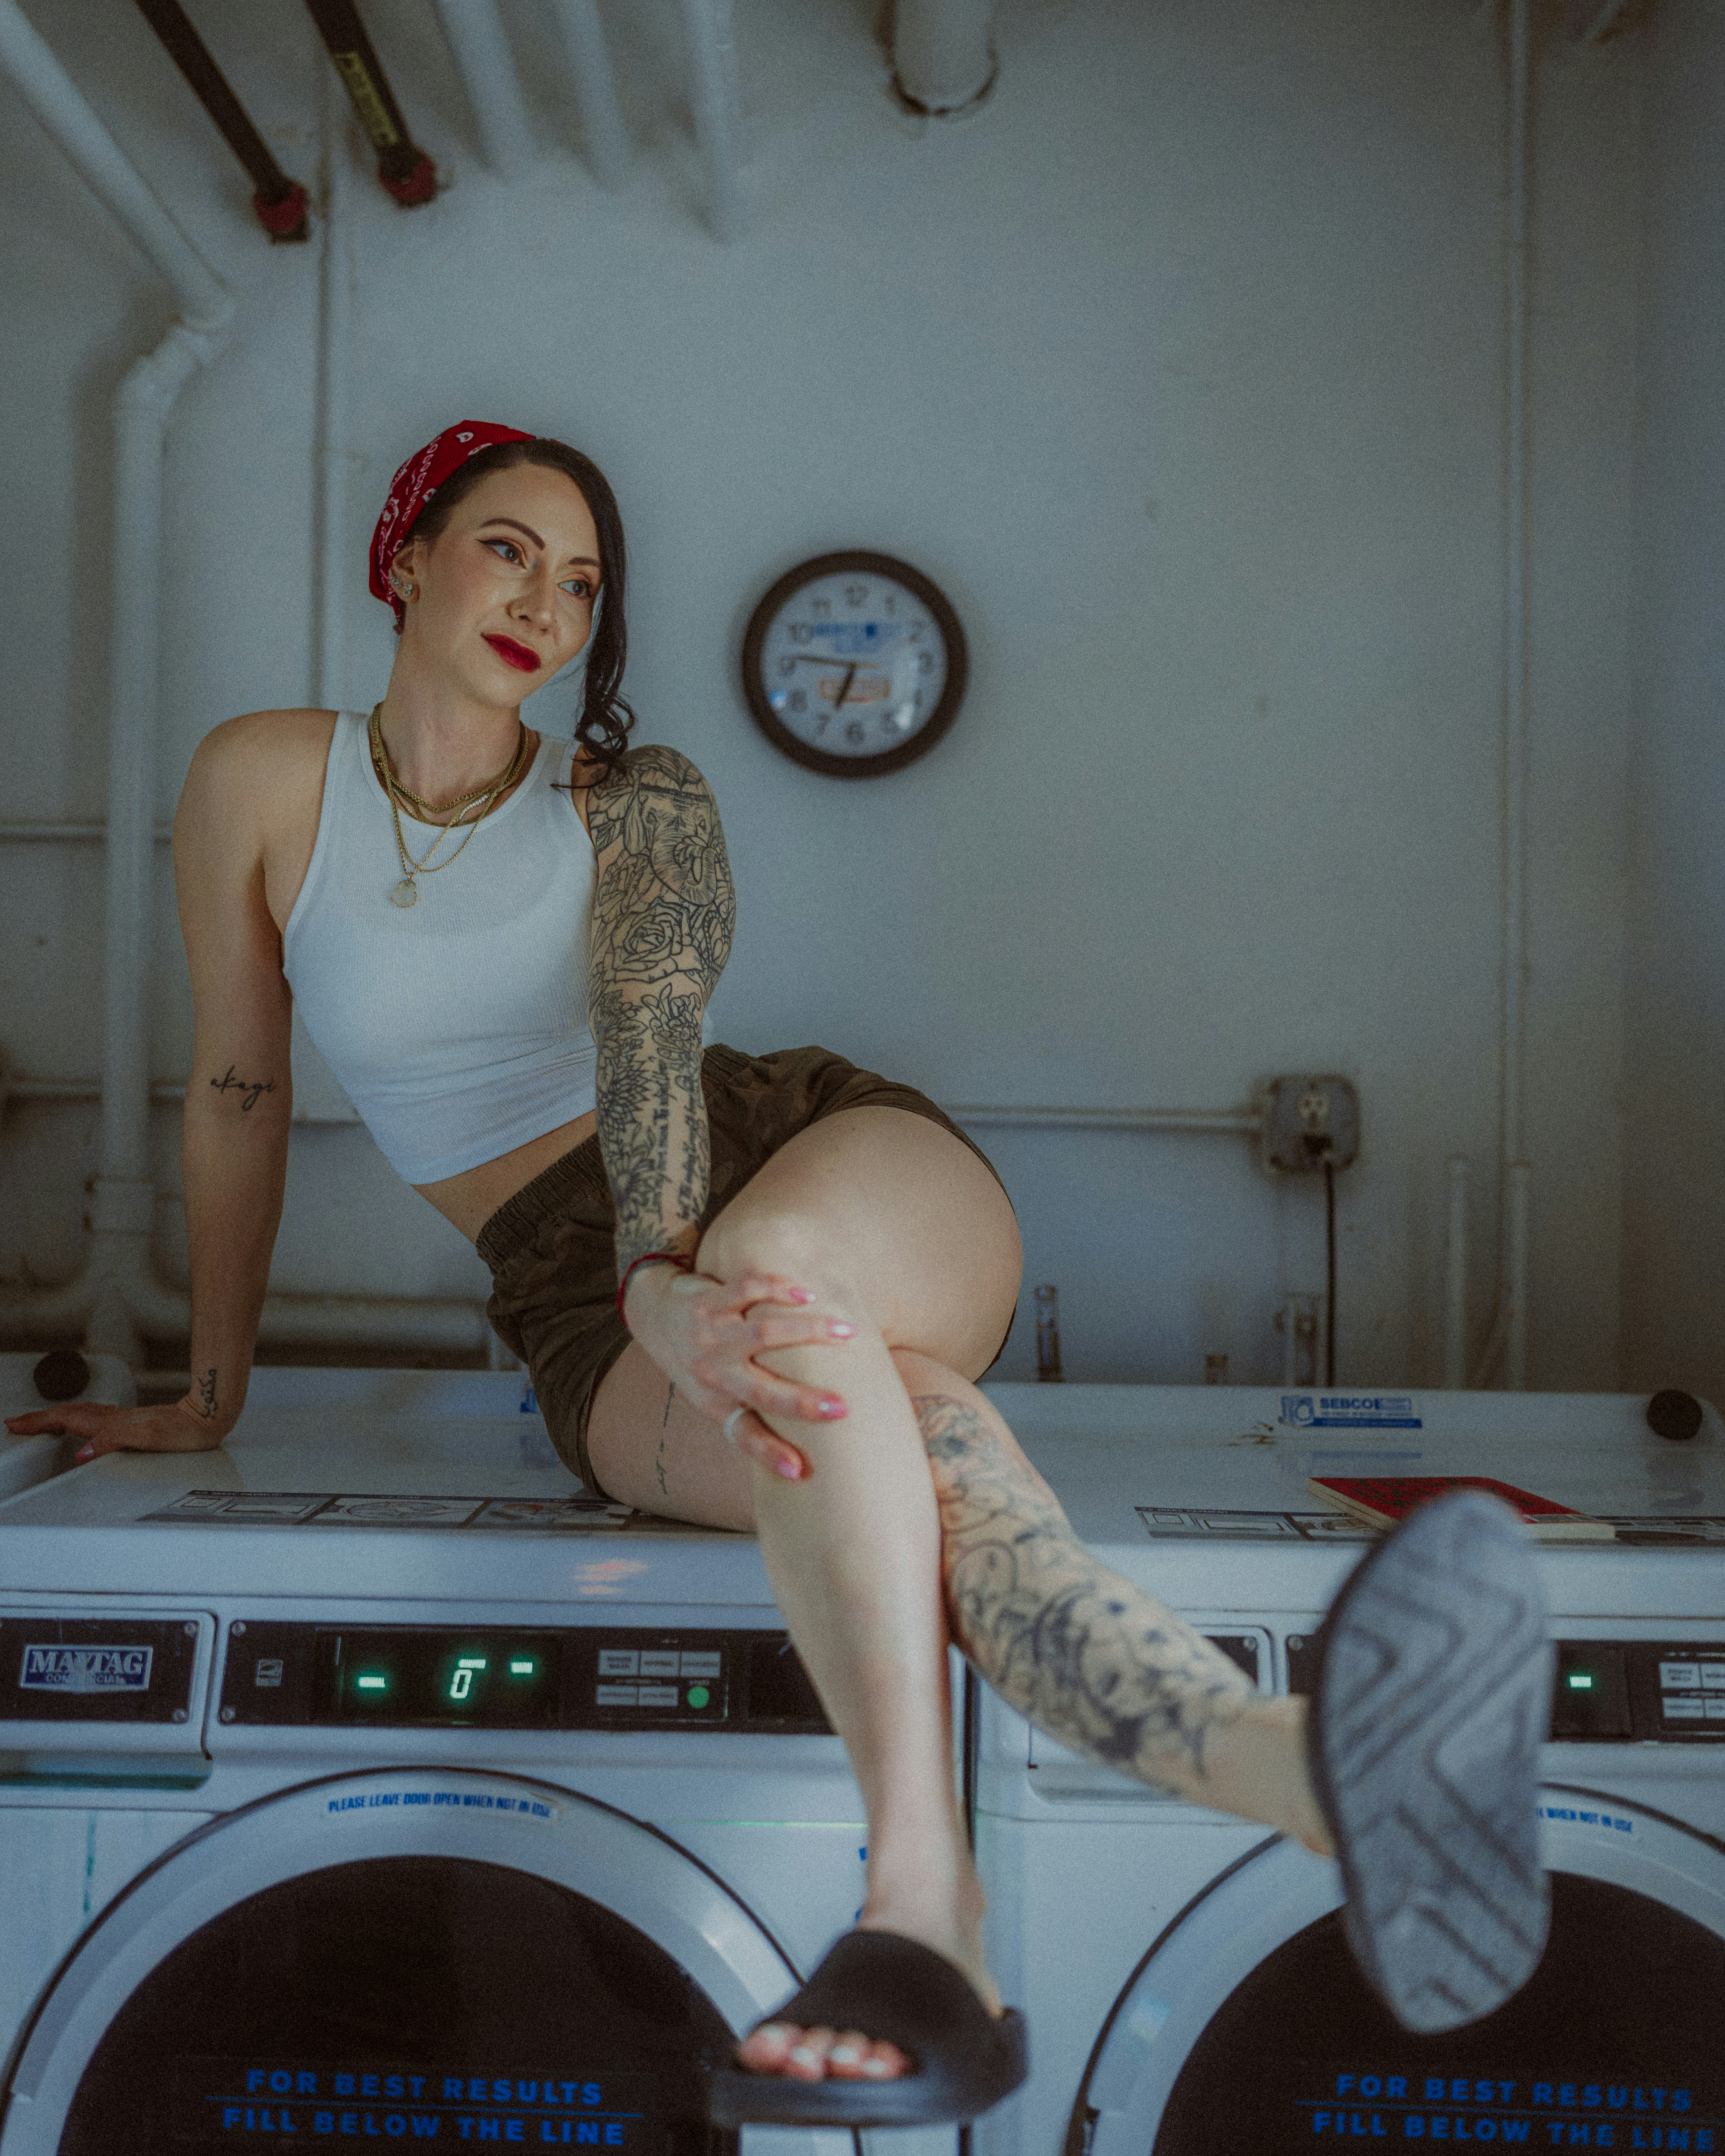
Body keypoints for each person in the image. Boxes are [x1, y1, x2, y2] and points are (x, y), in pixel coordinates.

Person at [6, 423, 1552, 2129]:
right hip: (566, 1291)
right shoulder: (259, 777)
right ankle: (1289, 1763)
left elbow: (652, 1035)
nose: (550, 600)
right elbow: (240, 1086)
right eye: (511, 549)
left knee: (775, 1270)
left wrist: (669, 1272)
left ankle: (915, 1910)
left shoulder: (634, 795)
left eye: (584, 581)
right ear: (406, 557)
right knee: (899, 1423)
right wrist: (212, 1385)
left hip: (807, 1153)